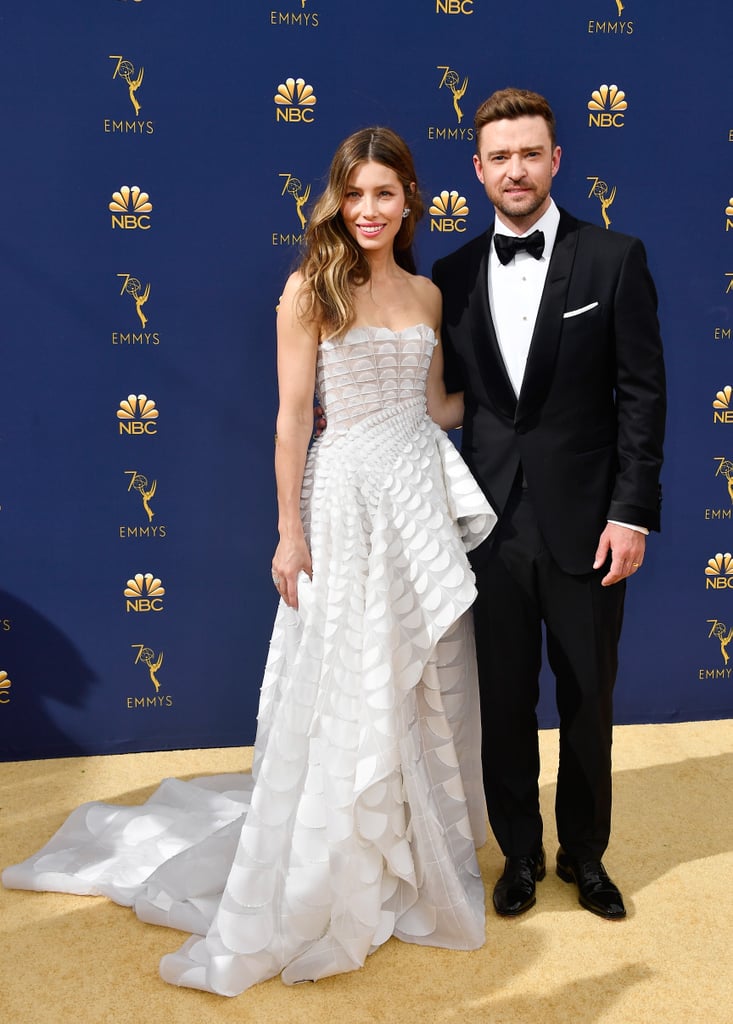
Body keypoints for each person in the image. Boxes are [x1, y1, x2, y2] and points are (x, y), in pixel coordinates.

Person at [3, 127, 496, 995]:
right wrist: (288, 532)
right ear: (337, 201)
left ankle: (412, 859)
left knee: (422, 675)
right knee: (349, 674)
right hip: (342, 498)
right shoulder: (310, 289)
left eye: (386, 193)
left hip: (414, 494)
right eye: (356, 194)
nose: (370, 210)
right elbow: (291, 420)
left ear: (411, 198)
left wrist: (526, 397)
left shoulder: (424, 295)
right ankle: (338, 863)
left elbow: (438, 407)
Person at [432, 88, 666, 921]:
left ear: (556, 159)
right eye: (499, 156)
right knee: (501, 704)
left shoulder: (612, 258)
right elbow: (445, 400)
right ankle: (520, 856)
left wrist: (630, 512)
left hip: (589, 527)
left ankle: (585, 858)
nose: (515, 169)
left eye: (529, 153)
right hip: (488, 529)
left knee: (587, 701)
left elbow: (641, 394)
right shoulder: (452, 275)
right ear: (478, 170)